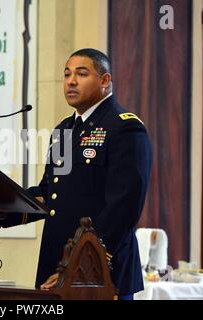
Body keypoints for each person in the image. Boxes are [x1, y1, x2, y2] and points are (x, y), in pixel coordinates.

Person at [18, 48, 152, 300]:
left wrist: (79, 264)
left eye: (81, 73)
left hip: (99, 269)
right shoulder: (65, 129)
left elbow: (124, 206)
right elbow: (50, 192)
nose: (70, 80)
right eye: (67, 74)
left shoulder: (124, 127)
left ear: (105, 80)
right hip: (58, 260)